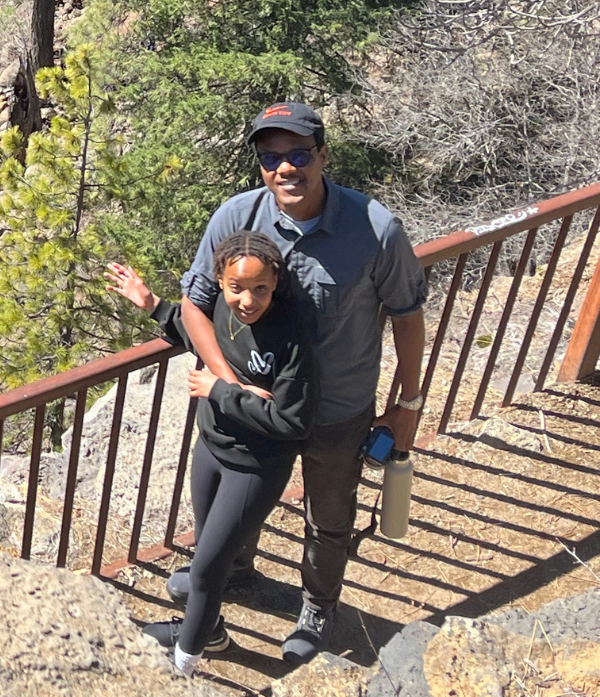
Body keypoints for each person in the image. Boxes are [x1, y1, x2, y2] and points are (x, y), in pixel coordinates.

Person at [178, 102, 428, 663]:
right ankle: (231, 571)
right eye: (271, 159)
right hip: (257, 407)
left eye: (297, 155)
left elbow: (407, 314)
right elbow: (195, 306)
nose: (285, 169)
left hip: (336, 408)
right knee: (234, 497)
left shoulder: (375, 229)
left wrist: (409, 400)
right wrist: (229, 384)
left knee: (329, 515)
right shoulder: (236, 218)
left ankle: (318, 605)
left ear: (322, 155)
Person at [107, 235, 316, 676]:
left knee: (205, 570)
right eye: (237, 287)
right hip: (212, 449)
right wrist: (152, 304)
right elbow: (198, 338)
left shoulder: (291, 335)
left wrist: (221, 390)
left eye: (260, 288)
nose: (248, 300)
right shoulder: (220, 311)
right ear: (219, 281)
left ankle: (183, 667)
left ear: (275, 282)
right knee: (207, 552)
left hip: (256, 467)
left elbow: (294, 422)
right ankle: (212, 633)